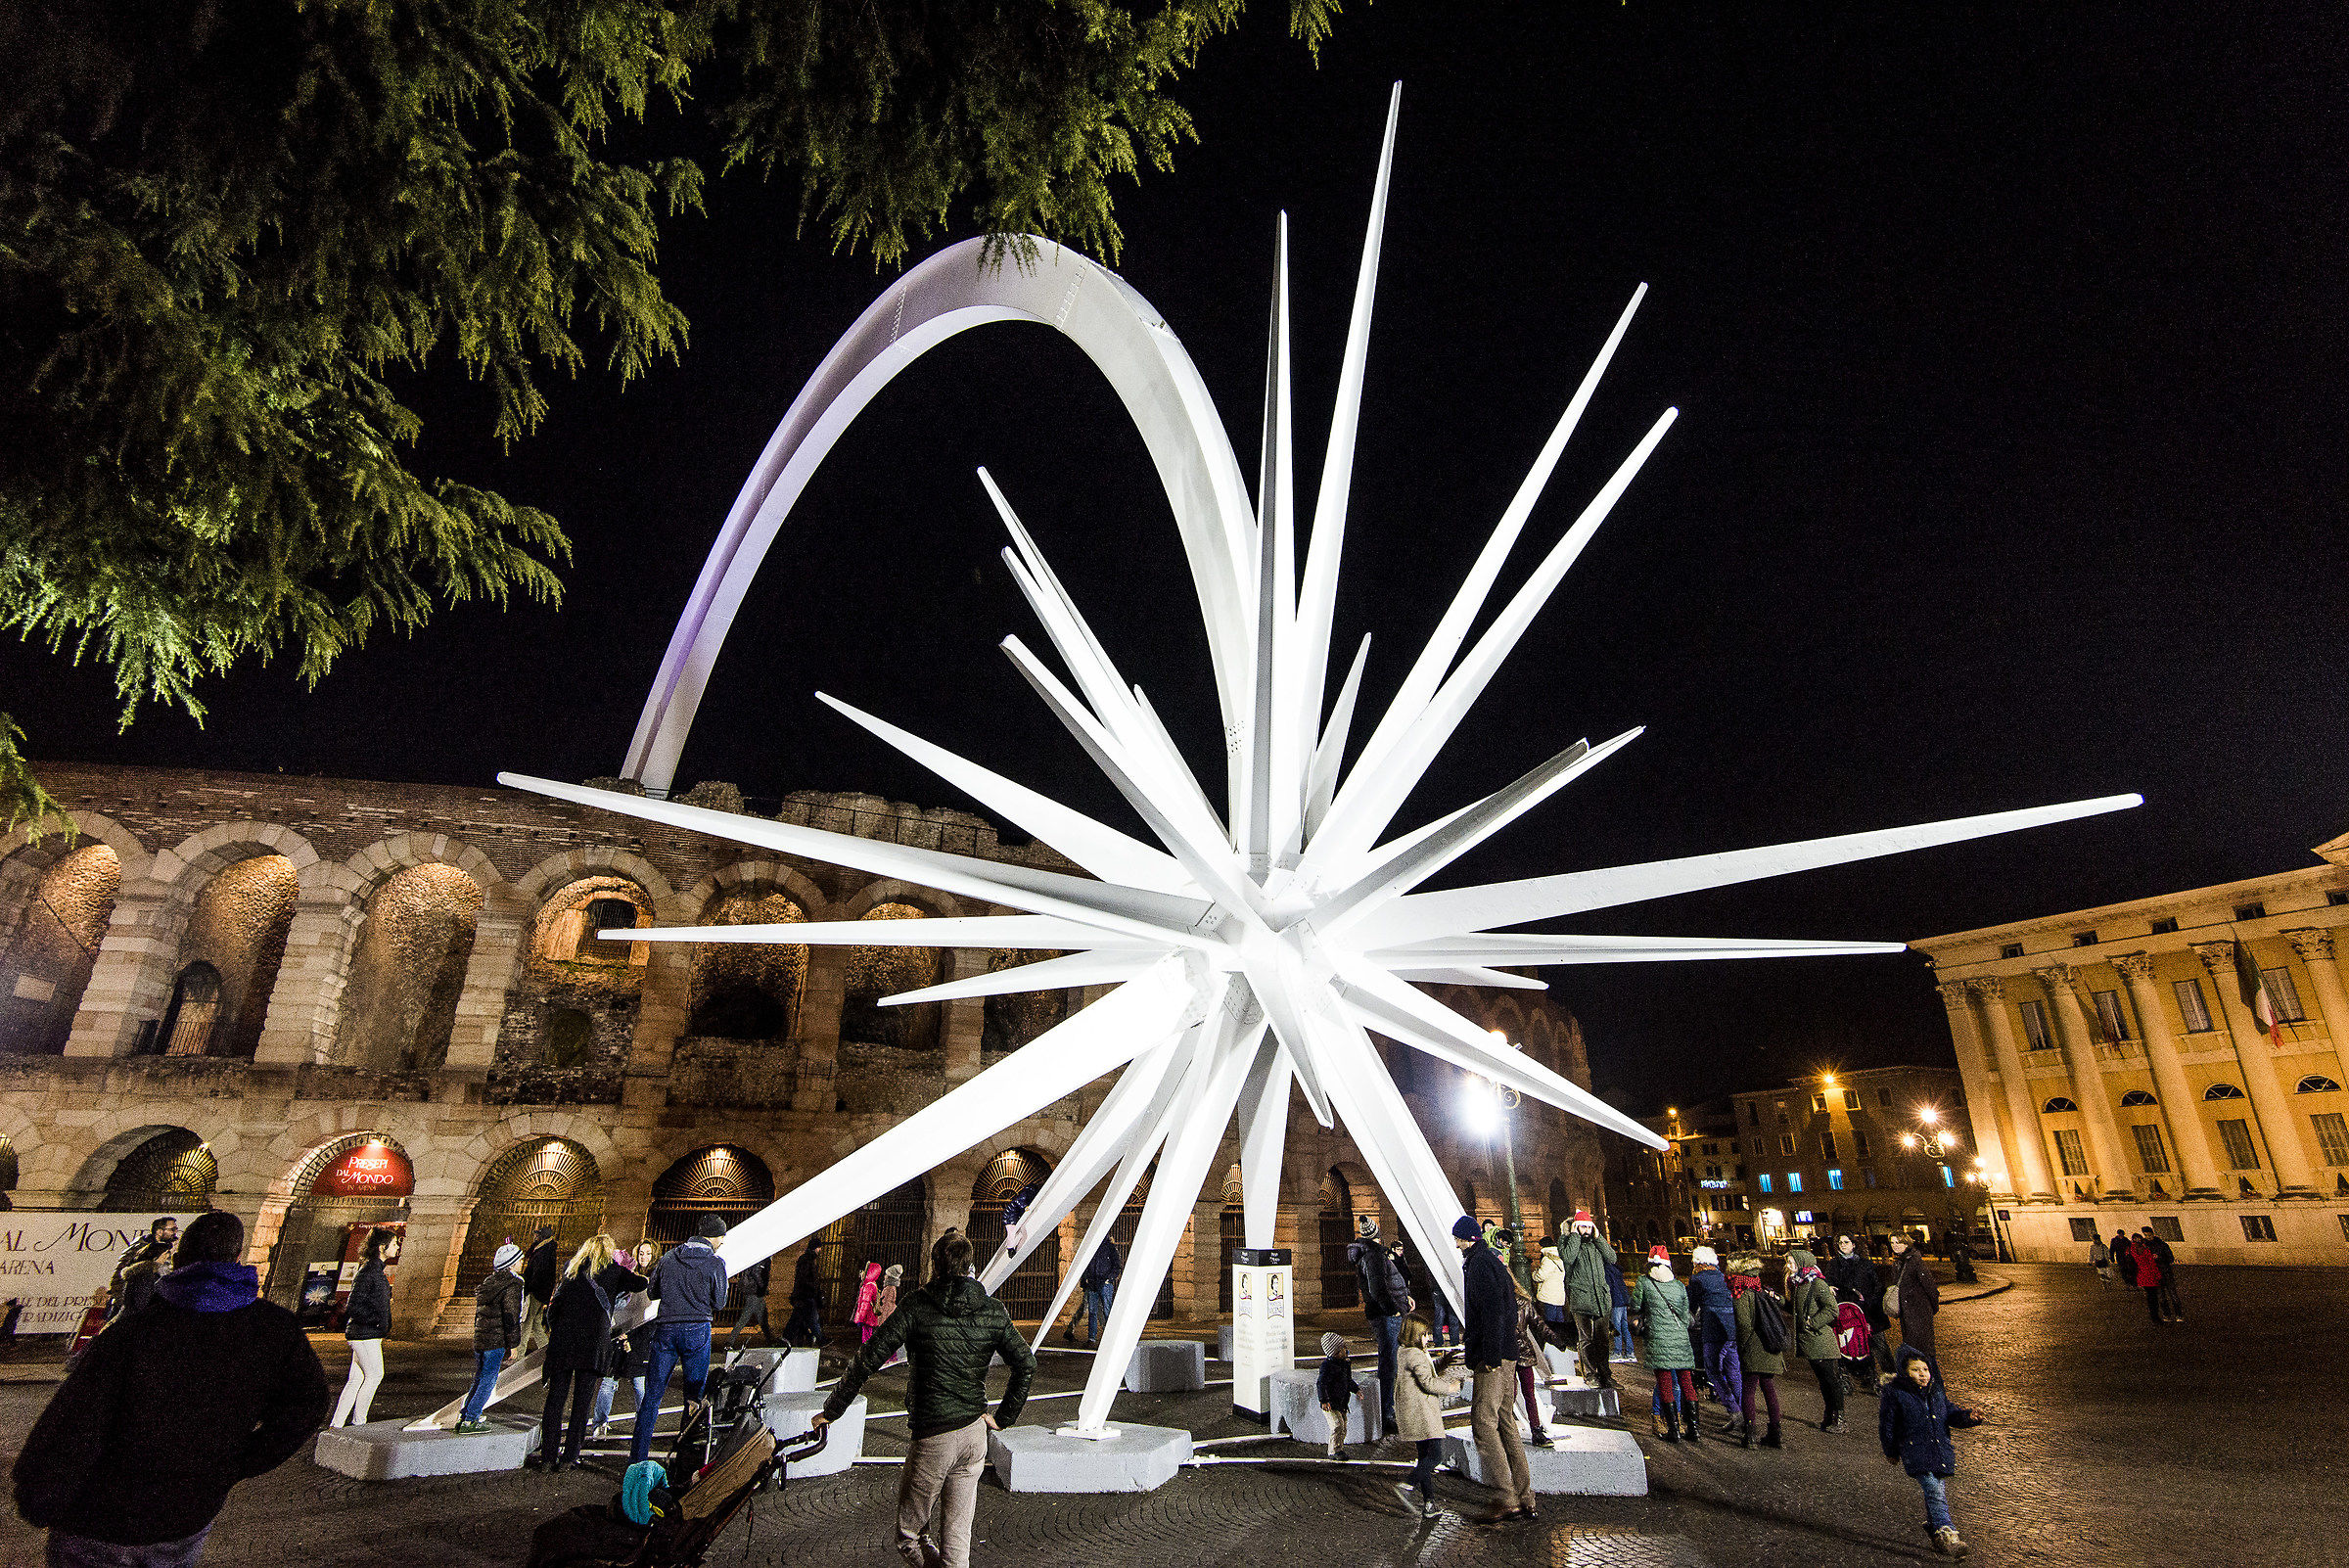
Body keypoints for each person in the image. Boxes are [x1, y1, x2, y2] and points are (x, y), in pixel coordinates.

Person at [14, 1210, 328, 1567]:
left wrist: (38, 1496)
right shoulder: (274, 1330)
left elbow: (74, 1422)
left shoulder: (132, 1332)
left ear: (177, 1261)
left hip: (99, 1516)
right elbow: (307, 1405)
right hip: (186, 1512)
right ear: (238, 1259)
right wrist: (235, 1462)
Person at [813, 1228, 1034, 1568]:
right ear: (970, 1265)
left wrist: (832, 1410)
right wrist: (1003, 1417)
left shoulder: (917, 1305)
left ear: (934, 1265)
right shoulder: (993, 1310)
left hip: (933, 1435)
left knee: (909, 1537)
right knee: (958, 1542)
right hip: (975, 1434)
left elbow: (867, 1358)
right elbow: (1026, 1363)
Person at [536, 1233, 650, 1471]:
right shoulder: (613, 1270)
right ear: (608, 1251)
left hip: (564, 1343)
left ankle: (548, 1457)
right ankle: (569, 1457)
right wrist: (622, 1268)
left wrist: (556, 1330)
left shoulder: (571, 1269)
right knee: (581, 1403)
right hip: (592, 1346)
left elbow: (554, 1306)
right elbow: (641, 1283)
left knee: (555, 1401)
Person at [628, 1215, 731, 1464]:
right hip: (697, 1329)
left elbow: (652, 1292)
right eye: (721, 1237)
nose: (722, 1243)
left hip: (665, 1330)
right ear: (713, 1236)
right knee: (693, 1398)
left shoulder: (669, 1257)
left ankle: (637, 1459)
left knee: (652, 1396)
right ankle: (686, 1457)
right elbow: (719, 1302)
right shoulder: (715, 1262)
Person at [1453, 1214, 1535, 1525]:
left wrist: (1489, 1355)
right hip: (1507, 1353)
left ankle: (1505, 1497)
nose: (1456, 1243)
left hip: (1494, 1357)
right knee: (1505, 1422)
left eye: (1457, 1238)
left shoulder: (1479, 1264)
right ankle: (1525, 1496)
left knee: (1483, 1424)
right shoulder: (1491, 1261)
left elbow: (1493, 1310)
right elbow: (1508, 1308)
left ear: (1465, 1239)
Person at [1880, 1343, 1967, 1558]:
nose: (1922, 1374)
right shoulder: (1896, 1393)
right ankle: (1949, 1535)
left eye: (1925, 1369)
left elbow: (1950, 1413)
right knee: (1936, 1493)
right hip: (1916, 1452)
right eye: (1916, 1370)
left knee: (1935, 1492)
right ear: (1904, 1372)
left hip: (1938, 1451)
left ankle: (1935, 1530)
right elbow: (1887, 1425)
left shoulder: (1935, 1392)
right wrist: (1891, 1451)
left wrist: (1969, 1417)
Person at [1391, 1315, 1462, 1518]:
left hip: (1416, 1412)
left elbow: (1427, 1370)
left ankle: (1429, 1504)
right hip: (1422, 1413)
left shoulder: (1406, 1352)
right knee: (1435, 1456)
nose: (1428, 1338)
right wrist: (1450, 1387)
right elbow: (1428, 1383)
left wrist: (1443, 1362)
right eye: (1424, 1334)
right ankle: (1407, 1485)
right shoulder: (1414, 1355)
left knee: (1424, 1458)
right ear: (1415, 1334)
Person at [1348, 1215, 1412, 1433]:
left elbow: (1388, 1282)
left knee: (1390, 1361)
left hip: (1388, 1312)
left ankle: (1388, 1408)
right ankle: (1386, 1413)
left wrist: (1405, 1297)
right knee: (1389, 1364)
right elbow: (1378, 1289)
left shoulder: (1371, 1254)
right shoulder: (1373, 1256)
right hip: (1386, 1316)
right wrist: (1393, 1309)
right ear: (1377, 1235)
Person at [590, 1239, 660, 1439]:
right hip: (620, 1336)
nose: (644, 1257)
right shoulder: (629, 1277)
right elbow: (620, 1307)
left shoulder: (654, 1280)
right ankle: (600, 1423)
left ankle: (643, 1425)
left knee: (639, 1384)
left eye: (648, 1253)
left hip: (639, 1340)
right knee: (608, 1382)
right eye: (641, 1253)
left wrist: (632, 1339)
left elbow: (651, 1317)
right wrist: (620, 1333)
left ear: (654, 1255)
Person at [1629, 1244, 1699, 1443]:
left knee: (1665, 1384)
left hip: (1659, 1339)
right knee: (1687, 1382)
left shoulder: (1644, 1282)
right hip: (1680, 1340)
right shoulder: (1678, 1285)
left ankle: (1674, 1431)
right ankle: (1694, 1430)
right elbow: (1686, 1315)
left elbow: (1635, 1305)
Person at [456, 1241, 527, 1433]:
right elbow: (511, 1315)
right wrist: (513, 1344)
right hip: (496, 1339)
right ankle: (471, 1419)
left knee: (479, 1378)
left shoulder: (489, 1283)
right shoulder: (513, 1284)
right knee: (488, 1381)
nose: (522, 1262)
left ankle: (466, 1414)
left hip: (481, 1338)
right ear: (511, 1264)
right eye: (519, 1259)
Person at [329, 1228, 393, 1428]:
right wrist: (377, 1323)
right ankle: (359, 1423)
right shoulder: (369, 1272)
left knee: (356, 1379)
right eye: (394, 1243)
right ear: (382, 1247)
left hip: (364, 1333)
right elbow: (354, 1305)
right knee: (375, 1375)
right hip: (366, 1334)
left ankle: (337, 1423)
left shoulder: (373, 1270)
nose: (397, 1247)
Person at [1554, 1210, 1617, 1390]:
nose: (1587, 1230)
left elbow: (1612, 1258)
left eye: (1589, 1226)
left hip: (1601, 1299)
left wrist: (1599, 1238)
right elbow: (1568, 1258)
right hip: (1581, 1299)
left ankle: (1606, 1375)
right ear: (1576, 1226)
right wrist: (1573, 1235)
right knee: (1586, 1340)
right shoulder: (1566, 1241)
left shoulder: (1596, 1243)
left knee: (1603, 1339)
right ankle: (1590, 1375)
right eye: (1583, 1226)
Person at [1787, 1247, 1846, 1435]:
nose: (1788, 1266)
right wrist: (1778, 1299)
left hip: (1821, 1342)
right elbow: (1796, 1310)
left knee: (1831, 1381)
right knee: (1824, 1381)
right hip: (1812, 1342)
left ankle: (1839, 1419)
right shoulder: (1798, 1284)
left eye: (1791, 1262)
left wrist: (1812, 1323)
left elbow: (1832, 1309)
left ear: (1802, 1264)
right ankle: (1830, 1415)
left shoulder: (1816, 1283)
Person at [1729, 1252, 1784, 1449]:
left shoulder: (1741, 1293)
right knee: (1769, 1388)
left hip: (1753, 1349)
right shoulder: (1763, 1288)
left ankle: (1751, 1434)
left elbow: (1744, 1325)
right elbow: (1782, 1302)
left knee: (1749, 1390)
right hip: (1771, 1347)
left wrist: (1741, 1347)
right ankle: (1775, 1433)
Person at [1824, 1235, 1888, 1393]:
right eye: (1840, 1243)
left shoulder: (1865, 1264)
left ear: (1853, 1245)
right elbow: (1828, 1282)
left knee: (1878, 1346)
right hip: (1847, 1312)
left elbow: (1877, 1285)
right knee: (1849, 1344)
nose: (1843, 1245)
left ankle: (1888, 1377)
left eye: (1846, 1242)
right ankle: (1852, 1375)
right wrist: (1829, 1286)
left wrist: (1869, 1300)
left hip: (1868, 1311)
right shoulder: (1834, 1264)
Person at [1686, 1245, 1740, 1426]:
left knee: (1713, 1370)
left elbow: (1691, 1308)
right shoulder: (1723, 1277)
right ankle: (1744, 1411)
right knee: (1733, 1370)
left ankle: (1734, 1409)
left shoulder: (1697, 1279)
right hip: (1732, 1329)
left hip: (1713, 1331)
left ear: (1696, 1262)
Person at [105, 1219, 178, 1323]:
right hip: (130, 1309)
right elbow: (119, 1277)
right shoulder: (139, 1247)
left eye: (176, 1229)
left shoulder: (170, 1248)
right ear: (159, 1231)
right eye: (172, 1229)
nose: (175, 1232)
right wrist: (125, 1304)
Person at [1510, 1283, 1554, 1449]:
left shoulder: (1522, 1303)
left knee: (1523, 1393)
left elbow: (1538, 1323)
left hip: (1517, 1352)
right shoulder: (1521, 1302)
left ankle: (1535, 1429)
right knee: (1520, 1393)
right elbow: (1538, 1323)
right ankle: (1533, 1430)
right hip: (1518, 1351)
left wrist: (1554, 1337)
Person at [1397, 1238, 1458, 1348]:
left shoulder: (1433, 1257)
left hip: (1442, 1288)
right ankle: (1450, 1342)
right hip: (1442, 1288)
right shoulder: (1442, 1257)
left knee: (1445, 1315)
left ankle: (1446, 1342)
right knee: (1445, 1315)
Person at [520, 1223, 561, 1356]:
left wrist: (529, 1288)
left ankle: (519, 1354)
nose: (535, 1236)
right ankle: (546, 1350)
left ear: (542, 1236)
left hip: (536, 1292)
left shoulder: (543, 1252)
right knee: (536, 1322)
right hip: (541, 1292)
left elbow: (537, 1273)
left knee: (526, 1322)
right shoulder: (545, 1250)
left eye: (537, 1234)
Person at [1071, 1237, 1120, 1346]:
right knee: (1095, 1311)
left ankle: (1105, 1337)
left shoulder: (1109, 1248)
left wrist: (1108, 1279)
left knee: (1104, 1310)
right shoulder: (1102, 1247)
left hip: (1101, 1283)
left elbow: (1117, 1266)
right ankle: (1093, 1337)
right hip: (1094, 1283)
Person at [1314, 1331, 1356, 1458]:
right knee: (1337, 1425)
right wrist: (1324, 1400)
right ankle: (1333, 1451)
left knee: (1343, 1427)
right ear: (1336, 1352)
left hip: (1342, 1402)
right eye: (1343, 1347)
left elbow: (1348, 1380)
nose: (1346, 1349)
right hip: (1331, 1403)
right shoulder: (1327, 1366)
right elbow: (1321, 1384)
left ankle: (1339, 1449)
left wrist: (1356, 1389)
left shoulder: (1345, 1363)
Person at [724, 1253, 772, 1355]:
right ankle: (729, 1343)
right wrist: (762, 1287)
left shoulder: (760, 1256)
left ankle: (770, 1341)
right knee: (745, 1318)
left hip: (756, 1292)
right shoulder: (762, 1257)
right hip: (754, 1292)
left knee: (763, 1317)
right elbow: (756, 1273)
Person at [784, 1239, 824, 1348]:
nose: (820, 1250)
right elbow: (806, 1278)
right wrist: (814, 1290)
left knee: (799, 1318)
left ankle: (789, 1338)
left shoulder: (807, 1259)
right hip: (807, 1295)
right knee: (812, 1318)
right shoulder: (808, 1260)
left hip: (804, 1295)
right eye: (819, 1247)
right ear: (815, 1248)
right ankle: (820, 1339)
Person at [2139, 1226, 2183, 1321]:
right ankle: (2167, 1315)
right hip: (2155, 1275)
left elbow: (2170, 1258)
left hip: (2166, 1272)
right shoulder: (2144, 1247)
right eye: (2146, 1235)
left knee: (2173, 1295)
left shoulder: (2162, 1245)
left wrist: (2159, 1257)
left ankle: (2179, 1315)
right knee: (2161, 1297)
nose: (2148, 1237)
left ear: (2153, 1234)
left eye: (2149, 1235)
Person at [2130, 1228, 2168, 1322]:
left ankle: (2155, 1316)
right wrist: (2158, 1276)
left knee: (2152, 1297)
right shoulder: (2142, 1250)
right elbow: (2151, 1264)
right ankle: (2156, 1317)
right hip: (2149, 1276)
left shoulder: (2134, 1250)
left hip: (2145, 1277)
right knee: (2153, 1298)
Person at [1530, 1236, 1566, 1331]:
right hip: (1559, 1293)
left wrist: (1534, 1274)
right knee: (1559, 1318)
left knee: (1550, 1321)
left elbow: (1541, 1275)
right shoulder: (1560, 1256)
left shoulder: (1548, 1258)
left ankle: (1551, 1342)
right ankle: (1561, 1339)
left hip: (1549, 1293)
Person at [1607, 1251, 1635, 1362]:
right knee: (1624, 1326)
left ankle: (1617, 1351)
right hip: (1623, 1300)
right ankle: (1630, 1352)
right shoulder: (1616, 1269)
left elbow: (1608, 1287)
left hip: (1615, 1301)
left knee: (1616, 1326)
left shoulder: (1606, 1270)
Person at [853, 1261, 886, 1344]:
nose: (862, 1273)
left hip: (867, 1316)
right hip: (870, 1316)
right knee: (868, 1335)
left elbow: (865, 1303)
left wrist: (861, 1317)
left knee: (866, 1336)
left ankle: (867, 1352)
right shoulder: (872, 1284)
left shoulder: (868, 1286)